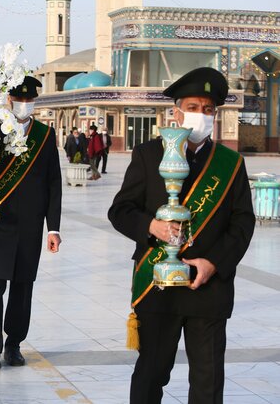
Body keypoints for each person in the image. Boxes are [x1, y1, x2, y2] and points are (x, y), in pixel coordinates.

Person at [108, 67, 256, 403]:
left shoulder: (230, 163)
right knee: (151, 375)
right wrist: (151, 226)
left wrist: (213, 263)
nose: (200, 116)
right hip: (158, 283)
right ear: (176, 111)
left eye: (208, 110)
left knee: (207, 381)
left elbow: (243, 223)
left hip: (208, 288)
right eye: (192, 107)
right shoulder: (148, 155)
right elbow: (120, 211)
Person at [0, 76, 62, 371]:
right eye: (20, 99)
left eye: (30, 100)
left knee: (23, 287)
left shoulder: (45, 135)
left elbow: (54, 183)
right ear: (10, 100)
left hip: (30, 224)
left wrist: (53, 227)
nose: (25, 105)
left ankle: (13, 345)